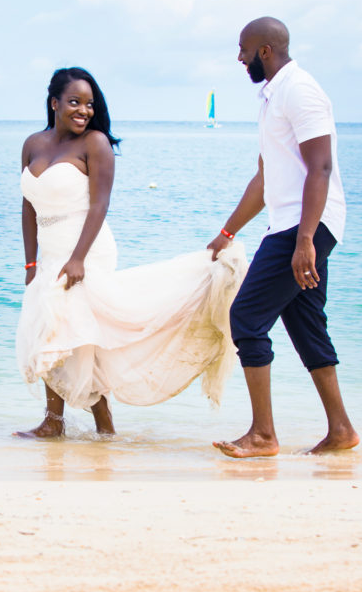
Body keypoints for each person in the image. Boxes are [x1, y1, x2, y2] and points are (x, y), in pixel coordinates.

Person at [15, 67, 247, 438]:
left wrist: (77, 259)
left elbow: (100, 205)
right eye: (74, 102)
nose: (84, 111)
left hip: (87, 250)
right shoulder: (32, 144)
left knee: (76, 335)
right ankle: (61, 424)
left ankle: (93, 427)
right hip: (50, 254)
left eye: (90, 104)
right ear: (54, 102)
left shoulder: (95, 144)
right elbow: (28, 207)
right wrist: (30, 262)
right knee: (53, 333)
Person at [206, 18, 360, 456]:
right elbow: (264, 178)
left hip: (304, 225)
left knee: (246, 318)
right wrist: (226, 232)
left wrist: (305, 239)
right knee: (306, 323)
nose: (239, 58)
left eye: (244, 49)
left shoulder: (300, 90)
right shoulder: (273, 97)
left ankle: (263, 435)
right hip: (292, 224)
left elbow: (321, 168)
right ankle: (341, 430)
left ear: (266, 50)